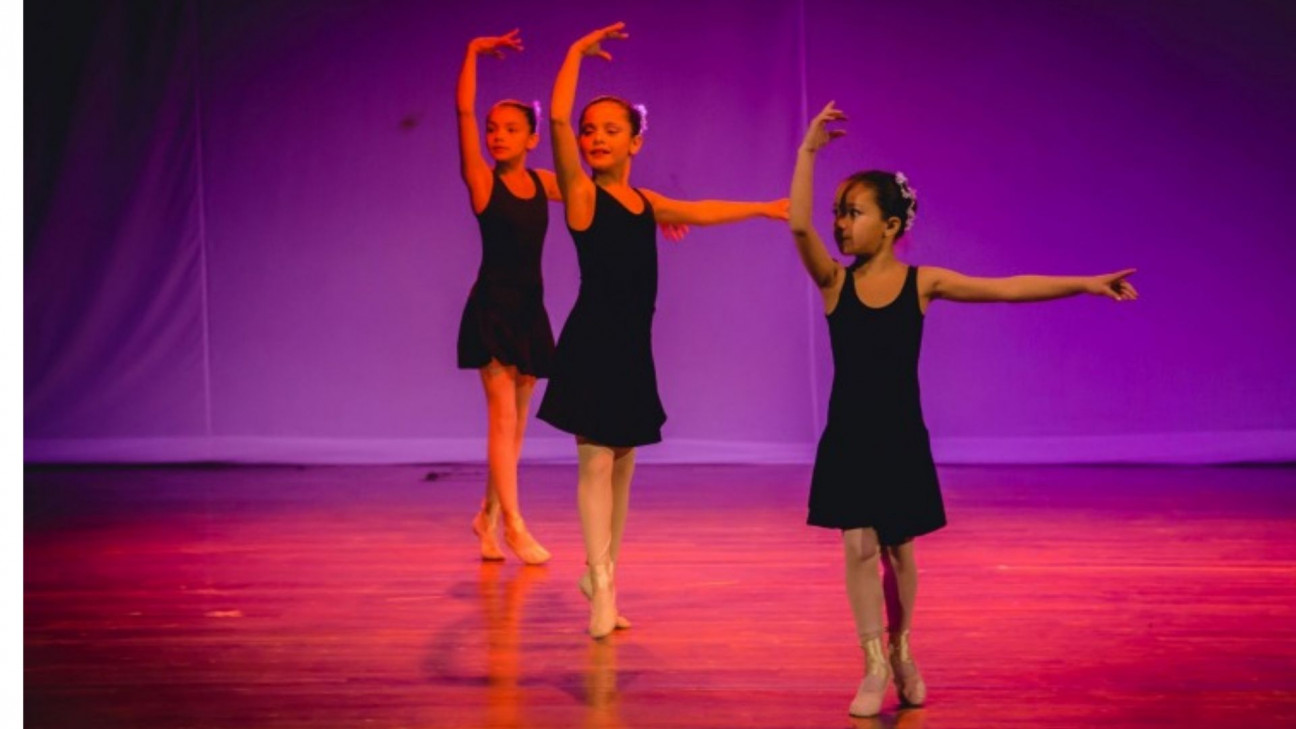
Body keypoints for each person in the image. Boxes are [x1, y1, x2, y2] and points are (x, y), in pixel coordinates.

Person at [788, 101, 1138, 716]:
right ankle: (871, 665)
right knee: (857, 546)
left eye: (854, 213)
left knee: (900, 550)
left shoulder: (922, 283)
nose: (841, 224)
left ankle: (901, 649)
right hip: (848, 435)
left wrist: (1083, 281)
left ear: (892, 226)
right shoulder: (833, 284)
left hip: (898, 436)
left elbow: (1007, 289)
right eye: (838, 213)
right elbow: (796, 228)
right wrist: (808, 152)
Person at [537, 22, 789, 638]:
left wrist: (763, 208)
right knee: (595, 461)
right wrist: (573, 53)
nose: (595, 137)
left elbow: (699, 211)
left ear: (635, 144)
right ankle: (600, 586)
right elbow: (560, 124)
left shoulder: (645, 204)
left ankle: (605, 574)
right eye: (592, 130)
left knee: (623, 465)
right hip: (592, 341)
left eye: (610, 130)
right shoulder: (580, 196)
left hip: (632, 347)